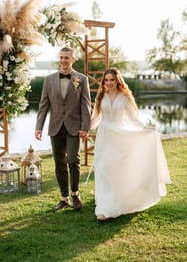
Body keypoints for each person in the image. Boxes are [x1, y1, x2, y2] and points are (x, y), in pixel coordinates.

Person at [91, 67, 171, 222]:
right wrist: (85, 126)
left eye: (112, 80)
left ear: (118, 80)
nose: (108, 83)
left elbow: (134, 118)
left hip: (120, 137)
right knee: (104, 169)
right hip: (104, 137)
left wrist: (145, 128)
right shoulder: (101, 96)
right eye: (106, 80)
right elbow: (96, 119)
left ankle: (119, 201)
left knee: (117, 170)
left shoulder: (125, 97)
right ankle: (104, 207)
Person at [35, 46, 91, 211]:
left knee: (73, 160)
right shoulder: (49, 80)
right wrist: (39, 127)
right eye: (61, 57)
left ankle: (75, 193)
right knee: (59, 164)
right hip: (56, 127)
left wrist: (85, 127)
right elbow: (43, 106)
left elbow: (86, 106)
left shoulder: (82, 79)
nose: (63, 60)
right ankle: (64, 198)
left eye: (67, 57)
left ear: (73, 60)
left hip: (74, 127)